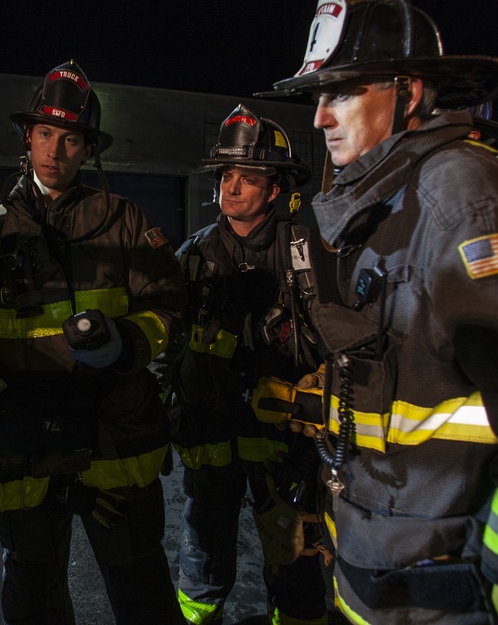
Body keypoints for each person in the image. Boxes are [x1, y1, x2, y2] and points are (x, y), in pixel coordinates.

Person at [255, 0, 498, 624]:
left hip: (445, 594)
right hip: (385, 578)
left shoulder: (463, 197)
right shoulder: (390, 208)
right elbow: (417, 390)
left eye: (343, 91)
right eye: (319, 95)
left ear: (410, 92)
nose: (320, 117)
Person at [0, 59, 186, 624]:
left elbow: (169, 303)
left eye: (70, 138)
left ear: (88, 149)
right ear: (28, 138)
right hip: (21, 434)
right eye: (45, 133)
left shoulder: (126, 224)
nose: (56, 150)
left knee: (140, 585)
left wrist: (125, 342)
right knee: (33, 592)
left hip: (114, 433)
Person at [167, 104, 332, 624]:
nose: (232, 187)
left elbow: (336, 348)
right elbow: (168, 345)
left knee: (295, 553)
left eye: (250, 177)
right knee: (203, 551)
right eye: (227, 176)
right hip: (209, 433)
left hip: (285, 443)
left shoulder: (304, 255)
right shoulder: (192, 255)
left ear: (277, 188)